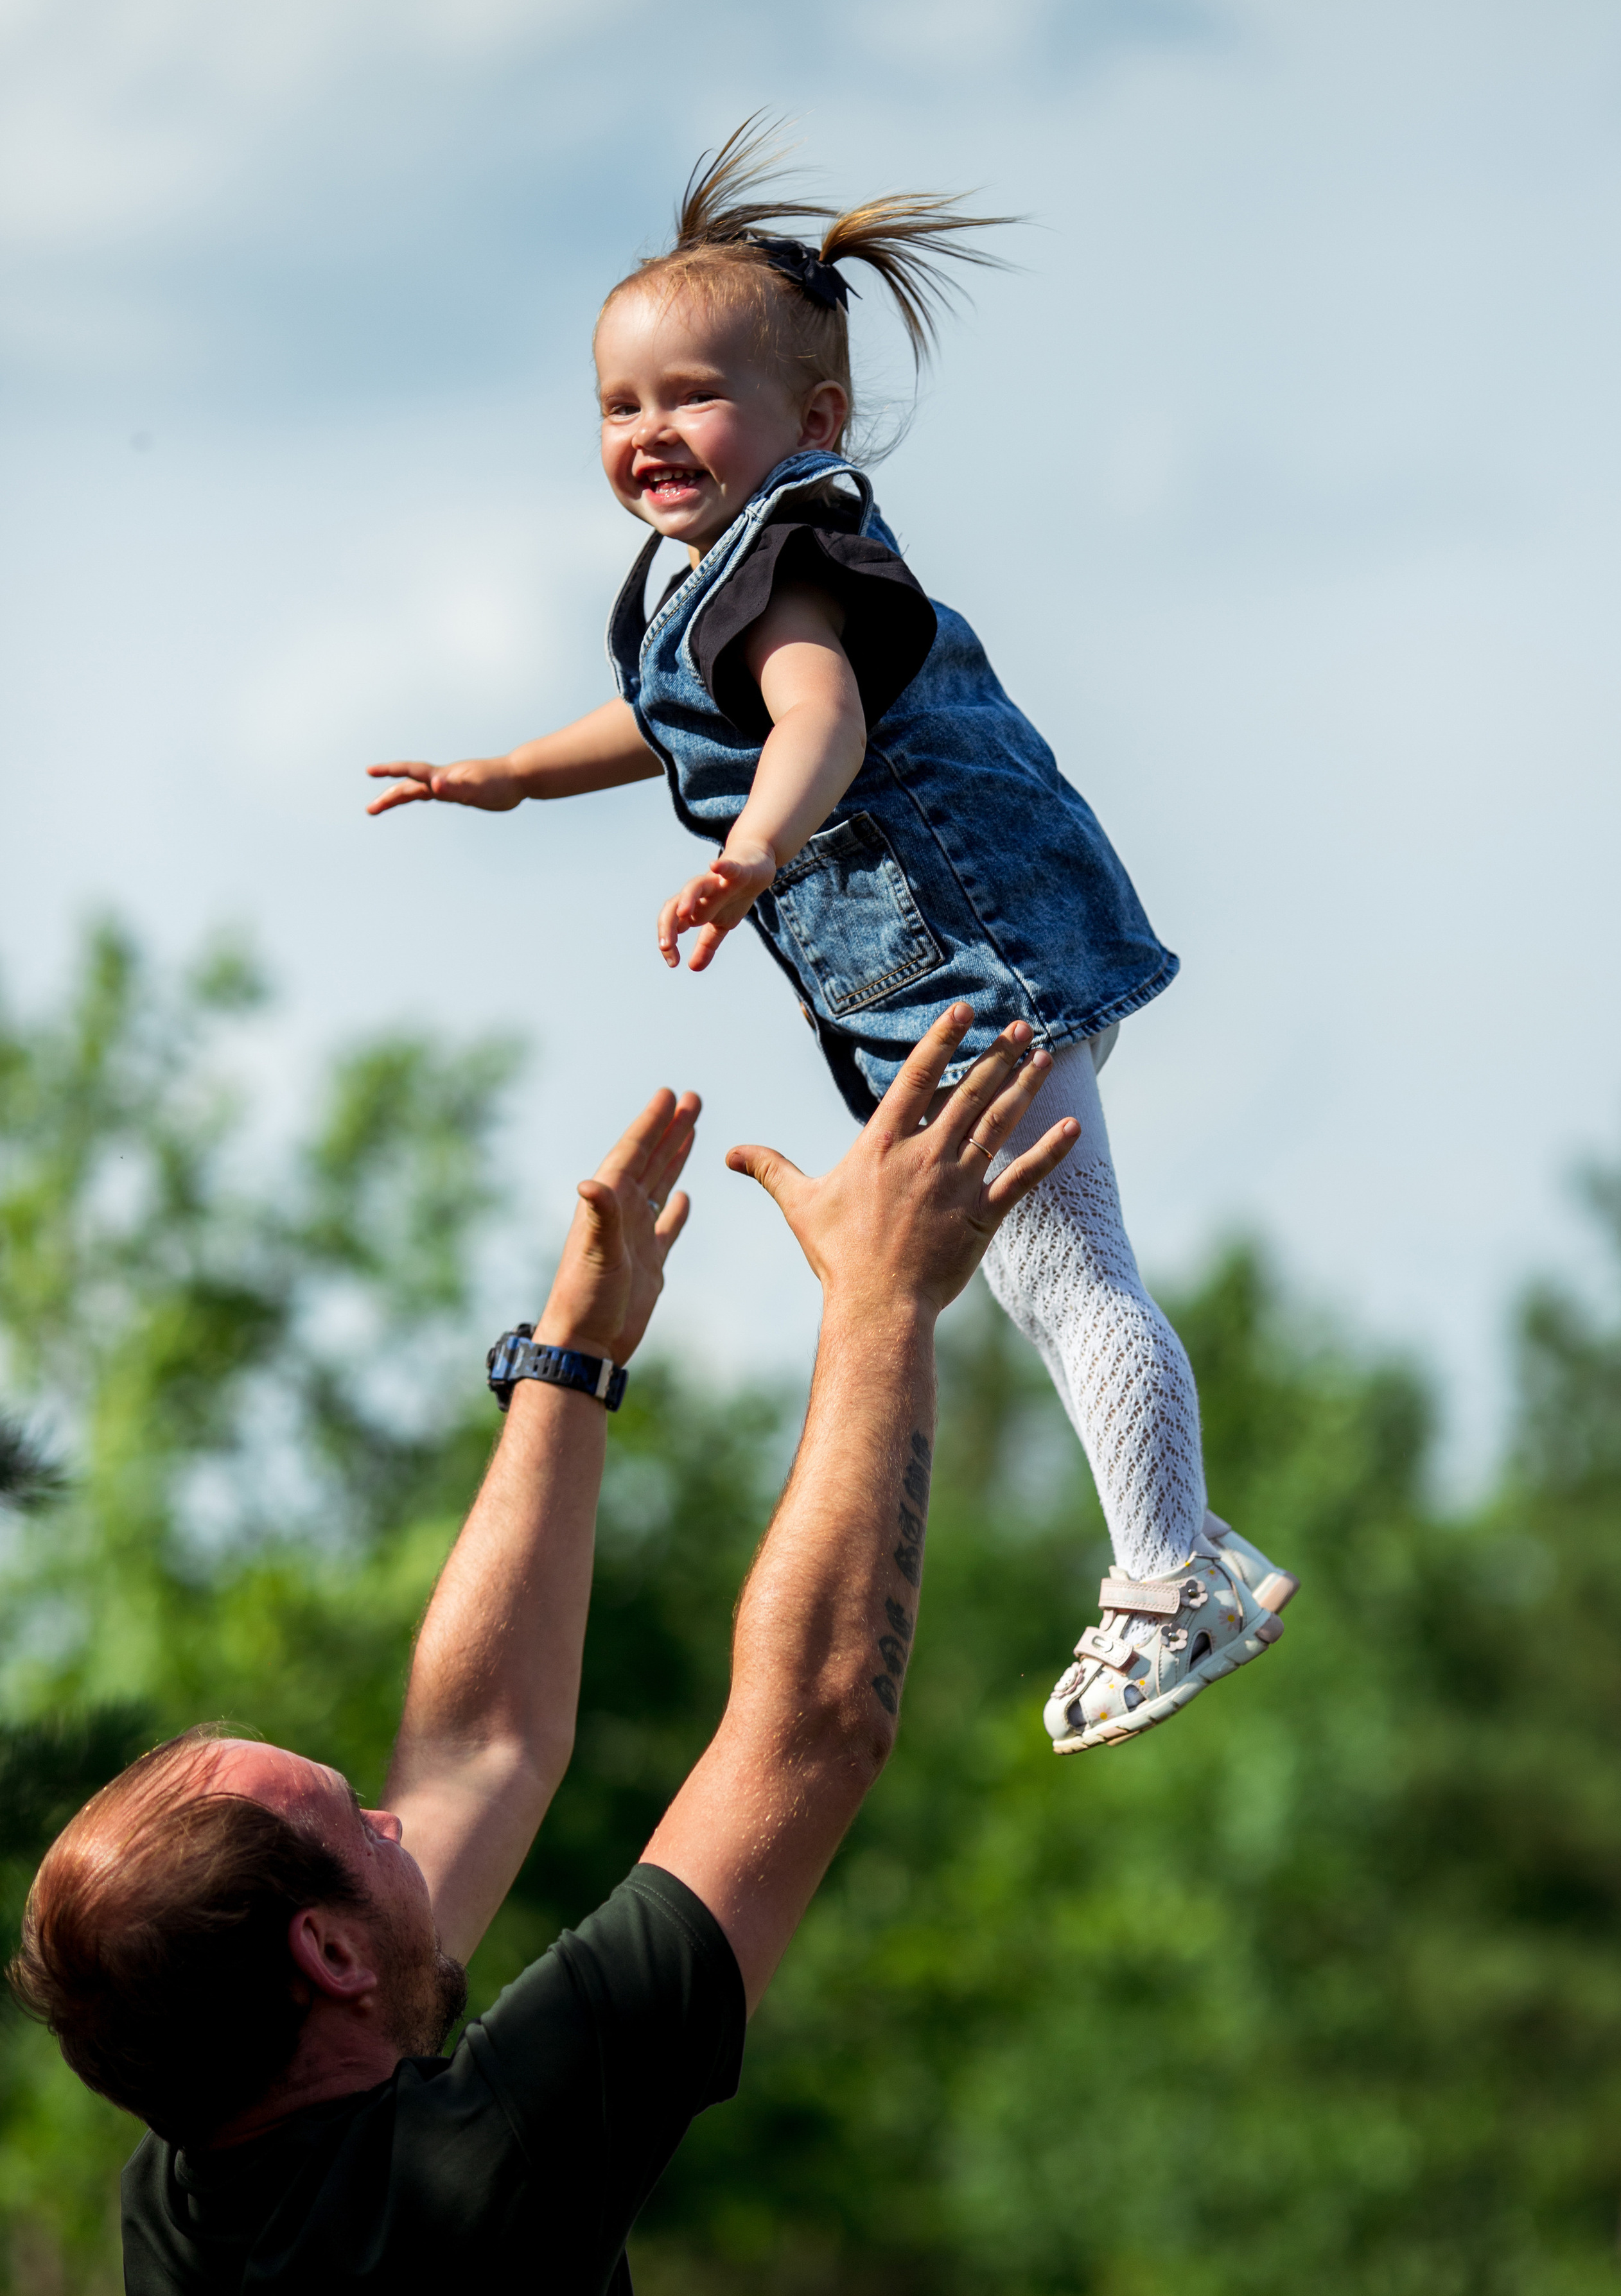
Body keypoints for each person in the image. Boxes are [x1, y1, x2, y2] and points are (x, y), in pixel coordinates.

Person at [11, 1007, 1076, 2296]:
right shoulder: (485, 2166)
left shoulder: (191, 2196)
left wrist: (567, 1358)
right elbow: (814, 1729)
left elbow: (478, 1752)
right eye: (357, 1824)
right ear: (324, 1955)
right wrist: (882, 1302)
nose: (398, 1819)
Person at [364, 121, 1297, 1748]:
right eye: (619, 404)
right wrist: (505, 775)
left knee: (1068, 1279)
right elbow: (663, 722)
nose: (649, 432)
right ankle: (1174, 1548)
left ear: (812, 421)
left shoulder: (795, 556)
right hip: (930, 979)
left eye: (688, 398)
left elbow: (815, 720)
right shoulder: (690, 580)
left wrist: (753, 846)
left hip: (976, 957)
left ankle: (1171, 1569)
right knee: (1036, 1277)